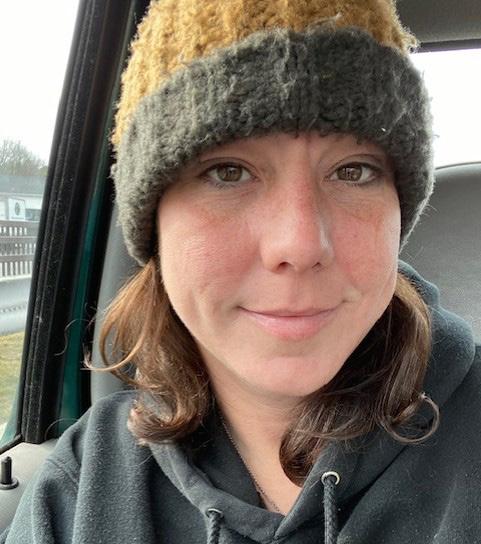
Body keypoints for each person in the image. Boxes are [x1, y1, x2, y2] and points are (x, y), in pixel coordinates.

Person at [3, 0, 481, 542]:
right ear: (154, 223)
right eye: (228, 172)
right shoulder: (79, 490)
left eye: (354, 171)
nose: (300, 245)